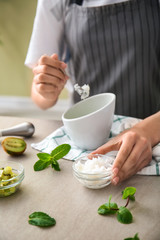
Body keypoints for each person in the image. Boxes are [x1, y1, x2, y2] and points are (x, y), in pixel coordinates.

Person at [25, 0, 160, 184]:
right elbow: (40, 99)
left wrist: (147, 130)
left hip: (152, 140)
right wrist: (45, 88)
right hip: (83, 154)